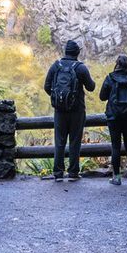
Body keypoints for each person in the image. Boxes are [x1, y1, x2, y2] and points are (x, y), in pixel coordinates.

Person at [43, 39, 94, 180]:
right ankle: (73, 173)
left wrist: (58, 99)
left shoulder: (56, 66)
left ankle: (58, 173)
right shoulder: (81, 68)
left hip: (59, 111)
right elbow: (91, 87)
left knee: (59, 141)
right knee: (74, 141)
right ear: (77, 53)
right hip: (77, 111)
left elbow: (47, 86)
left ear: (65, 51)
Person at [98, 55, 127, 184]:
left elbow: (102, 97)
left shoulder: (109, 78)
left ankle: (116, 177)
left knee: (115, 147)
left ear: (116, 64)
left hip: (113, 117)